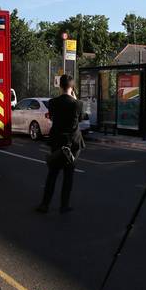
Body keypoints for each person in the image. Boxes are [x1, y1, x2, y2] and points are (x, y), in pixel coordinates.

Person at [36, 74, 84, 214]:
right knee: (68, 175)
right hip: (72, 144)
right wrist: (75, 100)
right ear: (72, 87)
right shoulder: (77, 104)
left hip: (56, 142)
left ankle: (45, 204)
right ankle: (64, 205)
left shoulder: (53, 102)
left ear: (60, 86)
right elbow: (79, 119)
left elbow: (51, 117)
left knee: (52, 174)